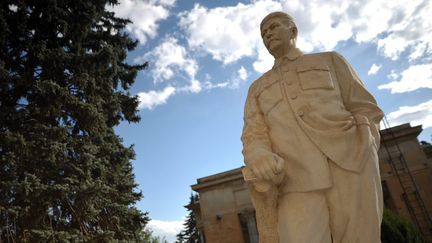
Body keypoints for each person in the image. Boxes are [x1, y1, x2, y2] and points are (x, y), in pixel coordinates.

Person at [241, 11, 384, 243]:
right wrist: (258, 154)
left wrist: (365, 146)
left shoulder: (330, 60)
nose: (268, 35)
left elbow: (365, 107)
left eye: (274, 27)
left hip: (351, 164)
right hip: (293, 178)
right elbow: (252, 133)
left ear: (293, 31)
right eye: (263, 34)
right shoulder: (257, 88)